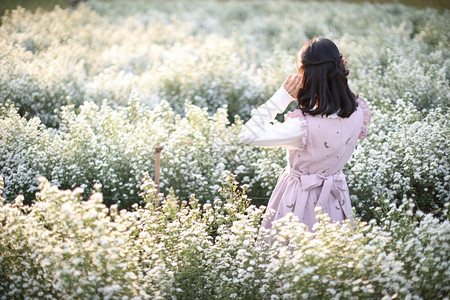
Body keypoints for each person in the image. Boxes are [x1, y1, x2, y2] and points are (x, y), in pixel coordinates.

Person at [239, 37, 371, 244]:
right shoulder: (358, 112)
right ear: (342, 66)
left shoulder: (301, 127)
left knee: (289, 255)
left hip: (298, 199)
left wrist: (282, 96)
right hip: (336, 197)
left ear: (305, 76)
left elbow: (248, 135)